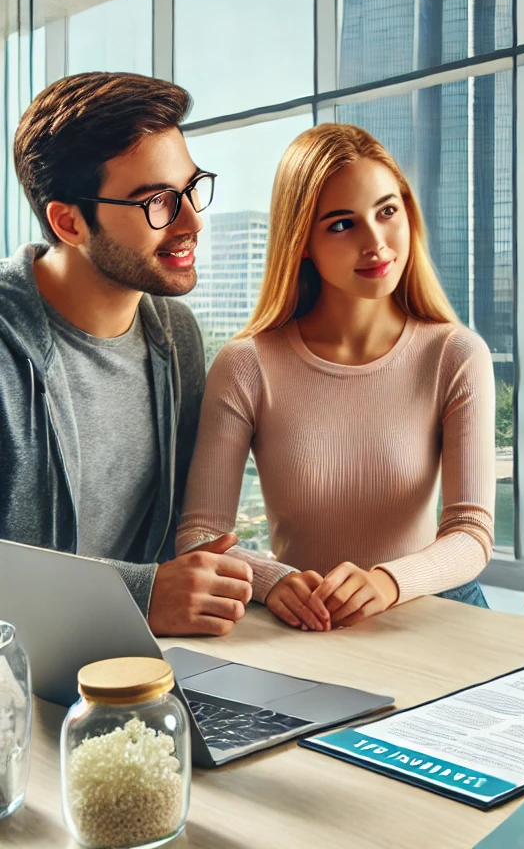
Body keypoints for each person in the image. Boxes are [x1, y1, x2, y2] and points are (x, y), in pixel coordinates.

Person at [176, 123, 495, 631]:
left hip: (439, 616)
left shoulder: (456, 354)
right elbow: (199, 535)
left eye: (387, 212)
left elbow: (472, 533)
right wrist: (271, 580)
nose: (376, 243)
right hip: (307, 623)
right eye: (342, 224)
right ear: (301, 240)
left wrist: (387, 582)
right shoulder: (246, 364)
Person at [0, 72, 254, 636]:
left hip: (144, 664)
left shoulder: (175, 333)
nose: (191, 222)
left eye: (191, 189)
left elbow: (190, 533)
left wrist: (271, 579)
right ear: (68, 221)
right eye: (157, 202)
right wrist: (137, 596)